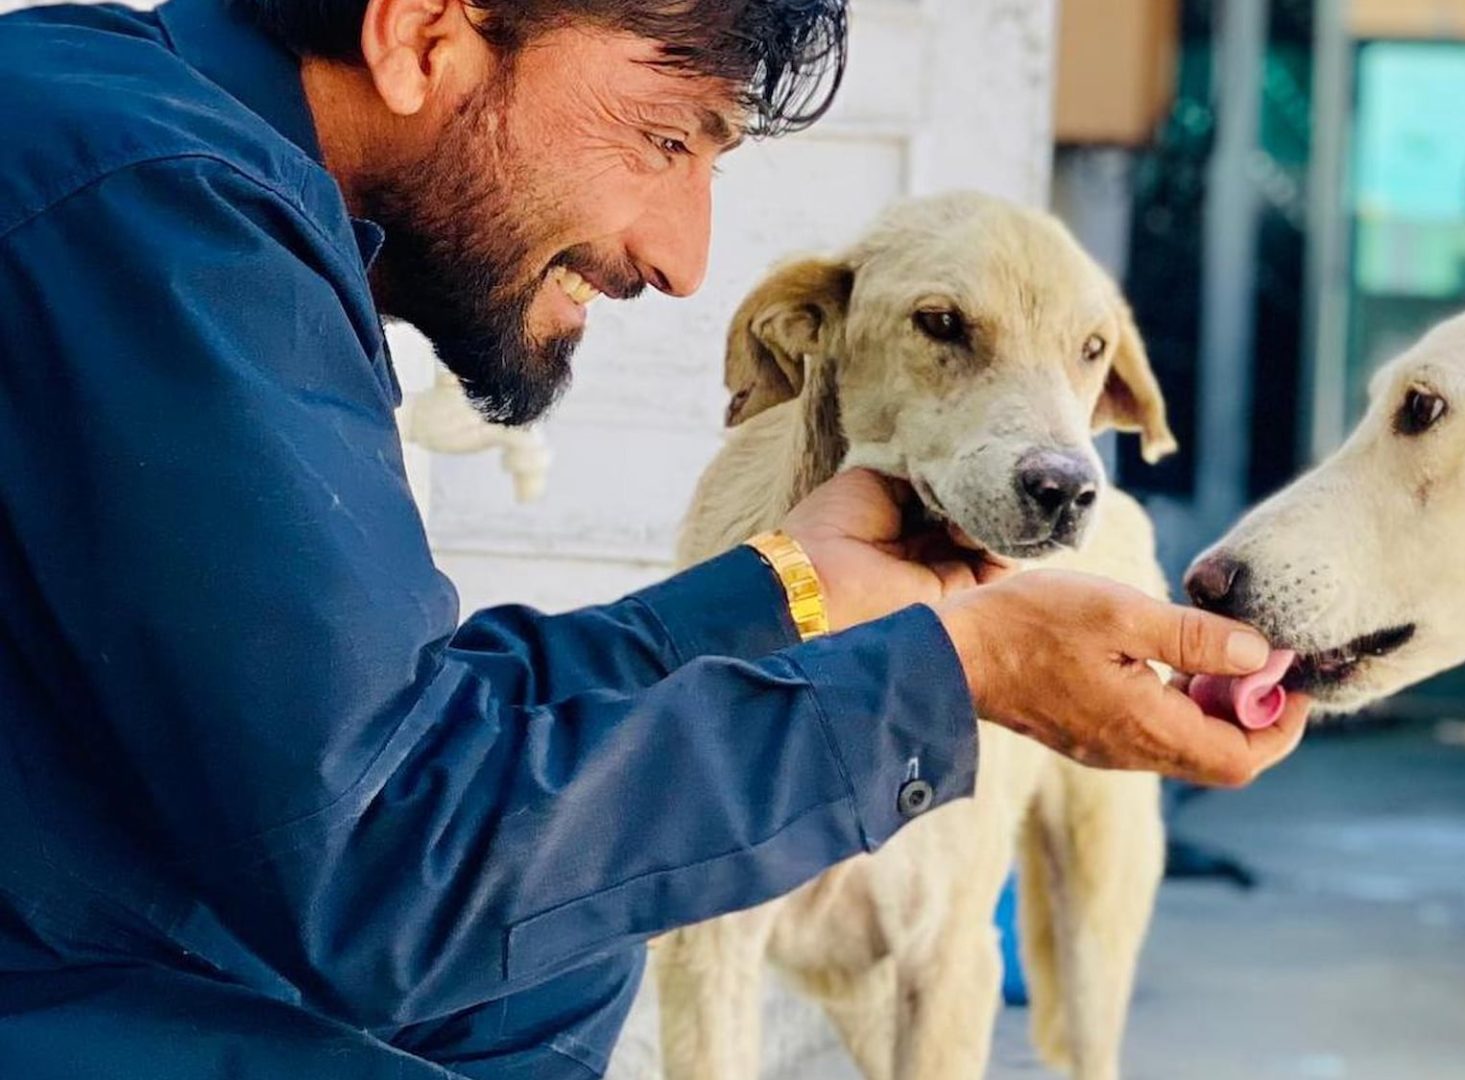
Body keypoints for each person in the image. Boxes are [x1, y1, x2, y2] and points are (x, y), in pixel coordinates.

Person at [0, 0, 1310, 1076]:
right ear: (421, 32)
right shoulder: (157, 212)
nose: (684, 259)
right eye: (666, 136)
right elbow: (390, 868)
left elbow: (382, 749)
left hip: (81, 918)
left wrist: (787, 590)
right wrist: (957, 675)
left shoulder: (173, 165)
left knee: (546, 972)